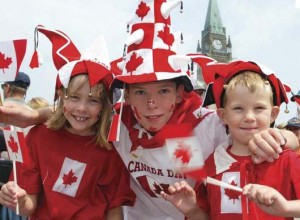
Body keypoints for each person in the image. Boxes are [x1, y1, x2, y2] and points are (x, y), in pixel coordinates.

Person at [0, 2, 298, 220]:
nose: (151, 104)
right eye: (140, 91)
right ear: (126, 96)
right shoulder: (117, 124)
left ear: (181, 93)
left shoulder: (207, 124)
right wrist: (36, 116)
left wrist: (282, 137)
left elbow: (255, 127)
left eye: (163, 91)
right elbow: (82, 115)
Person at [0, 27, 135, 219]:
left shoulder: (111, 149)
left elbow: (114, 209)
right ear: (62, 97)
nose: (81, 108)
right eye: (74, 97)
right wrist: (17, 199)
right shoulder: (38, 137)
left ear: (104, 107)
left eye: (93, 100)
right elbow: (28, 206)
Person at [161, 62, 300, 219]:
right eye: (238, 108)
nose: (249, 117)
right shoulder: (211, 166)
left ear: (273, 114)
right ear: (223, 116)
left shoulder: (287, 159)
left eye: (259, 108)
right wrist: (193, 211)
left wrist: (286, 208)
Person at [0, 71, 31, 220]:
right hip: (26, 189)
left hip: (6, 186)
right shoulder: (34, 115)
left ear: (7, 87)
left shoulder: (2, 111)